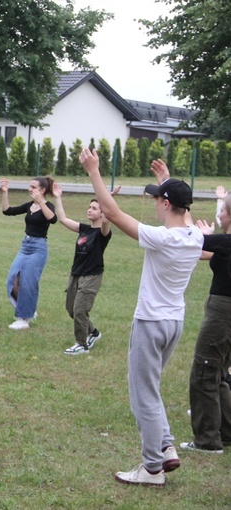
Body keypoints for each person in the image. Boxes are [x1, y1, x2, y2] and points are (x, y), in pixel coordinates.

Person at [80, 147, 202, 487]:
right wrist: (166, 181)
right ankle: (165, 447)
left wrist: (93, 171)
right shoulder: (194, 236)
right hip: (174, 323)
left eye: (157, 199)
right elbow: (184, 211)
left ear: (165, 204)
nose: (154, 205)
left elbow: (112, 213)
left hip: (150, 323)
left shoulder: (161, 238)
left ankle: (151, 469)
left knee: (143, 394)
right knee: (152, 388)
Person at [183, 196, 231, 453]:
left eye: (222, 210)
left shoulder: (226, 242)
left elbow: (190, 237)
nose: (219, 214)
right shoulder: (224, 244)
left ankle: (207, 441)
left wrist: (203, 234)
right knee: (219, 373)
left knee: (203, 373)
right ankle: (225, 432)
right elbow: (200, 247)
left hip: (222, 313)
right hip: (225, 312)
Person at [52, 182, 112, 354]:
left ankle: (82, 344)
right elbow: (63, 219)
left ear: (101, 213)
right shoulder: (84, 229)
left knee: (80, 310)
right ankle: (93, 332)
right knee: (72, 309)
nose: (90, 210)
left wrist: (107, 203)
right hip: (76, 274)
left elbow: (107, 222)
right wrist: (58, 197)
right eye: (89, 207)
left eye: (94, 208)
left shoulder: (103, 233)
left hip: (91, 276)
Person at [1, 176, 57, 330]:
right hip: (25, 246)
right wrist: (5, 192)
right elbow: (7, 211)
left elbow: (52, 219)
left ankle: (23, 318)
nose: (29, 189)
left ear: (42, 190)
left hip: (38, 248)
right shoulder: (29, 205)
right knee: (13, 279)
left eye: (33, 187)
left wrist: (41, 202)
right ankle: (28, 310)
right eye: (29, 186)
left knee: (28, 282)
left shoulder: (48, 206)